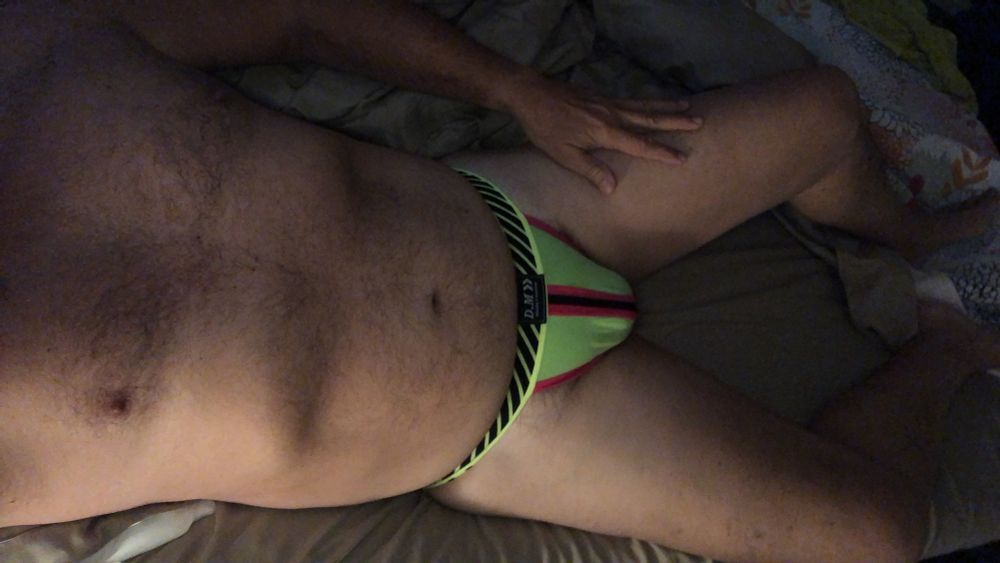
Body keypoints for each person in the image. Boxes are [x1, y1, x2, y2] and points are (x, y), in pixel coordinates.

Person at [1, 1, 997, 560]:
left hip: (515, 206)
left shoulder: (35, 43)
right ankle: (949, 341)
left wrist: (513, 88)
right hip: (511, 425)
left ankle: (905, 232)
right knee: (877, 534)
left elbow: (301, 18)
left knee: (825, 111)